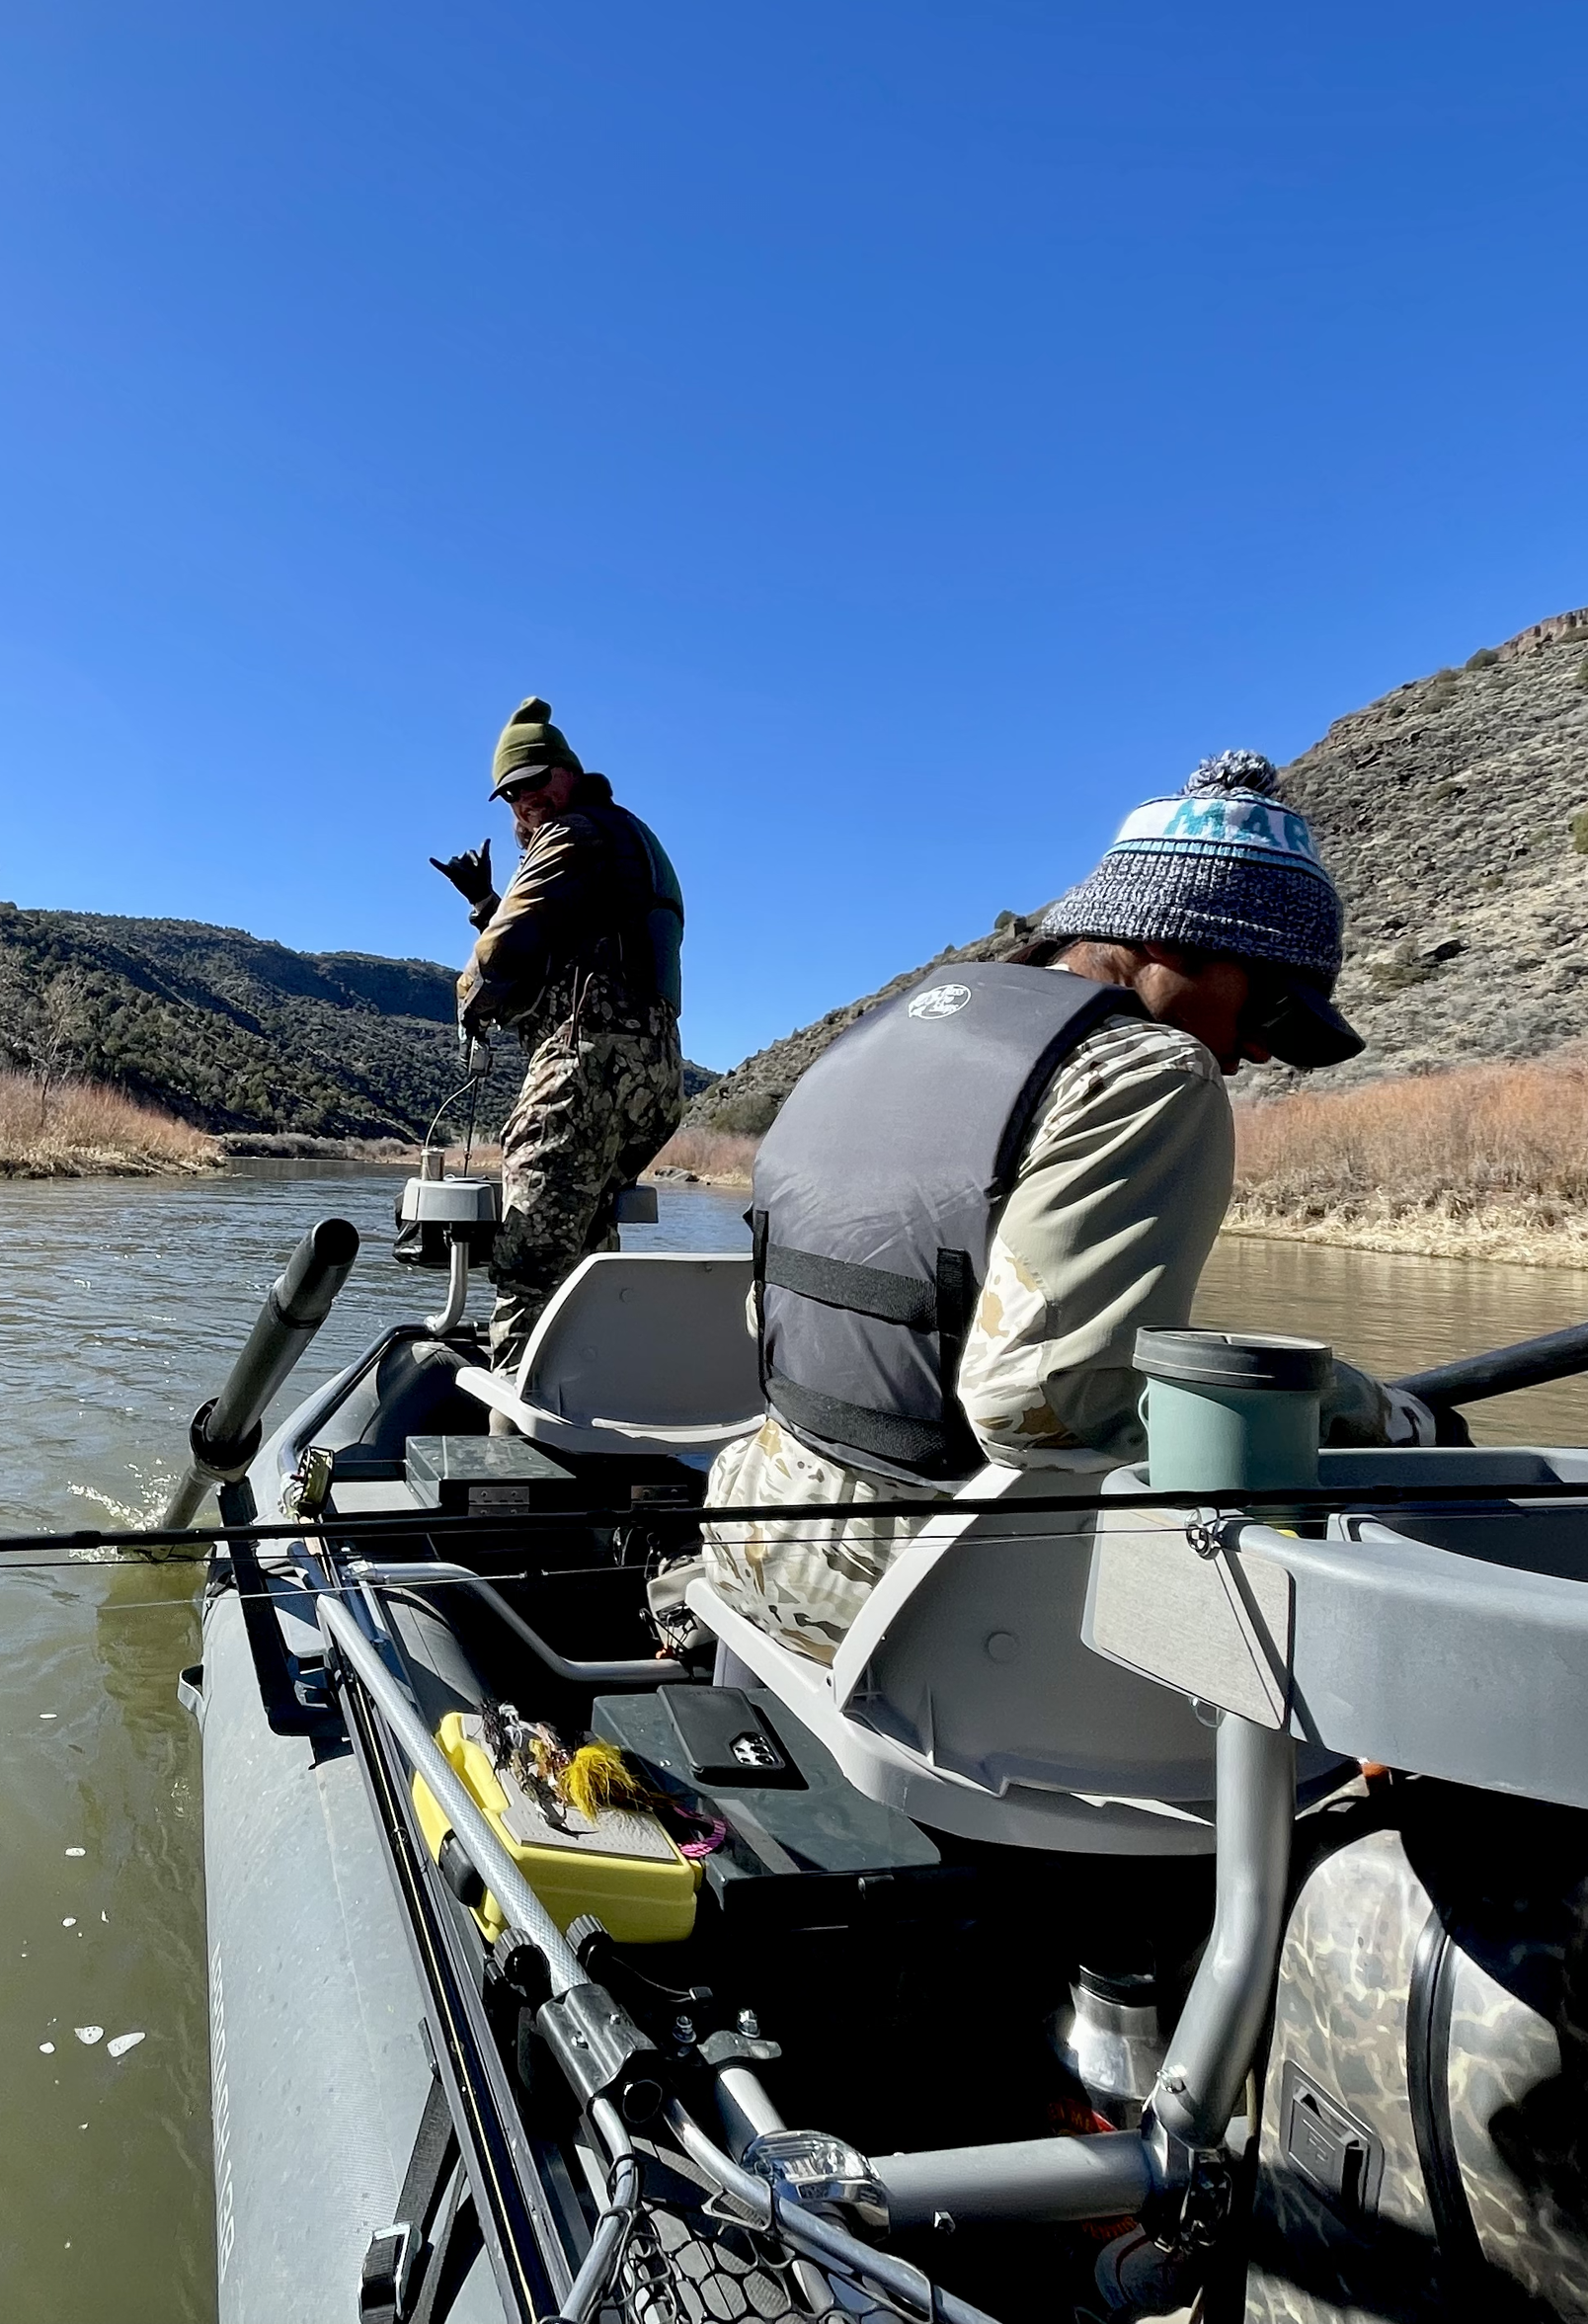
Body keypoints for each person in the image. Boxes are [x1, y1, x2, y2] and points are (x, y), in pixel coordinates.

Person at [677, 749, 1425, 1665]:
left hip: (746, 1531)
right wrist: (1361, 1410)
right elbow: (1043, 1407)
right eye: (1268, 1004)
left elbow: (787, 1318)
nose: (1258, 1053)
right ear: (1170, 941)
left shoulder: (876, 1035)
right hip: (922, 1612)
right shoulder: (1151, 1070)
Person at [432, 696, 686, 1362]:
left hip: (587, 1073)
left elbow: (502, 957)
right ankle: (593, 1403)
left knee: (529, 1262)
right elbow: (575, 941)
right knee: (584, 1251)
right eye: (511, 795)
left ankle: (514, 1429)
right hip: (654, 1080)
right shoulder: (631, 836)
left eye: (534, 783)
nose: (524, 803)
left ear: (568, 774)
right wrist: (485, 902)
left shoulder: (570, 834)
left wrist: (467, 1006)